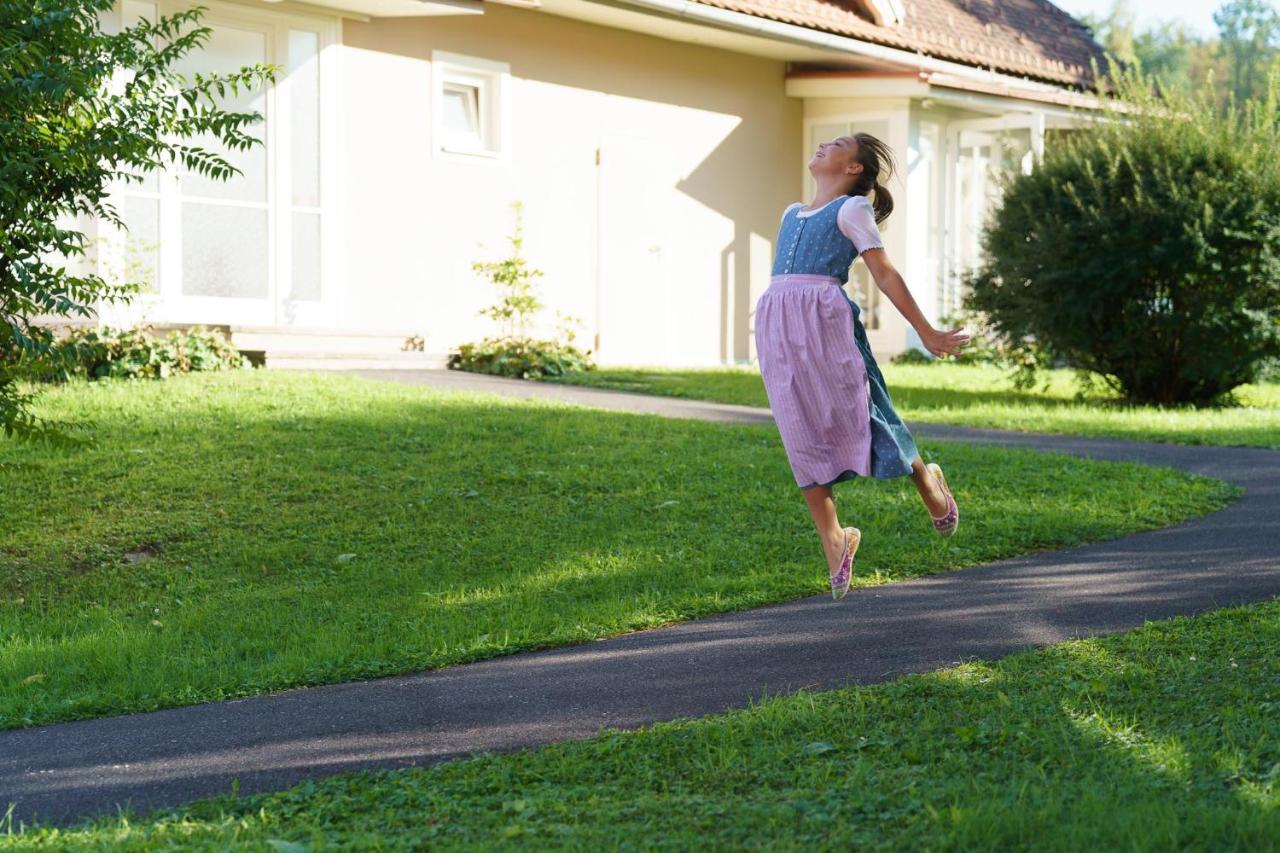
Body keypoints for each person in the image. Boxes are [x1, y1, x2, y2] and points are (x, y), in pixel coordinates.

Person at [754, 132, 970, 602]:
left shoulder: (852, 210)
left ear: (854, 169)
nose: (824, 145)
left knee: (865, 408)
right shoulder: (791, 213)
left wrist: (928, 332)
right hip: (779, 328)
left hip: (825, 325)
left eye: (837, 144)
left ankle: (928, 483)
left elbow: (885, 272)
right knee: (798, 428)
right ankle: (835, 539)